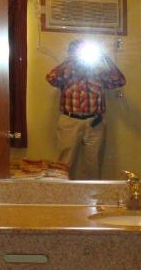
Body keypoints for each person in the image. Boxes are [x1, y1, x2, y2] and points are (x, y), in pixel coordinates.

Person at [45, 39, 126, 179]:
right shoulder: (67, 70)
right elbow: (51, 78)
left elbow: (119, 81)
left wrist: (104, 58)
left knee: (93, 165)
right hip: (69, 121)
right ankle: (62, 192)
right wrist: (70, 61)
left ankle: (92, 193)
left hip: (95, 123)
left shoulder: (100, 71)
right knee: (64, 165)